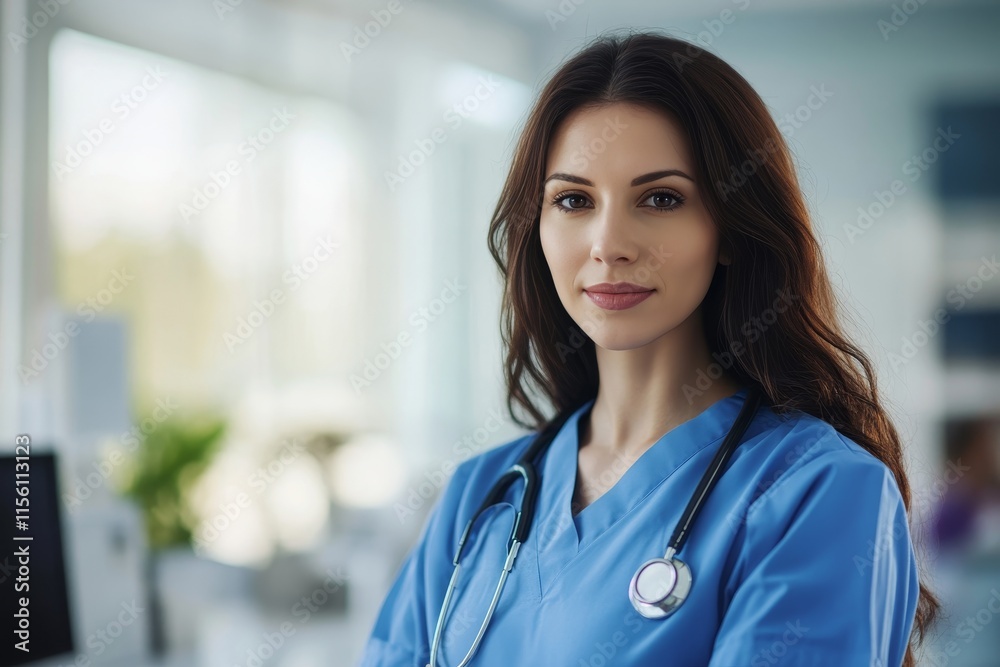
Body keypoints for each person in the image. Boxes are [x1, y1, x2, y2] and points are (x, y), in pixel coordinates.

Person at [357, 30, 938, 666]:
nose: (609, 243)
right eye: (574, 200)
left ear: (730, 230)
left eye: (660, 199)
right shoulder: (481, 498)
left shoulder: (818, 492)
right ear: (538, 230)